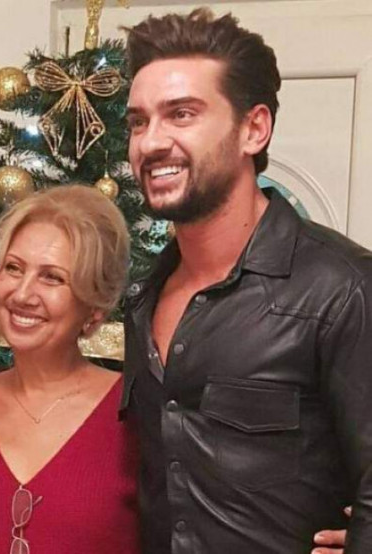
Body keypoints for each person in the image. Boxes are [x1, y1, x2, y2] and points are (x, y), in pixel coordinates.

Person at [121, 7, 371, 554]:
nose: (150, 142)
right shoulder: (142, 298)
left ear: (253, 129)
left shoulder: (342, 289)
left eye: (181, 114)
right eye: (138, 121)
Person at [0, 185, 140, 553]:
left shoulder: (134, 409)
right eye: (13, 268)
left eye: (52, 277)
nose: (22, 294)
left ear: (94, 308)